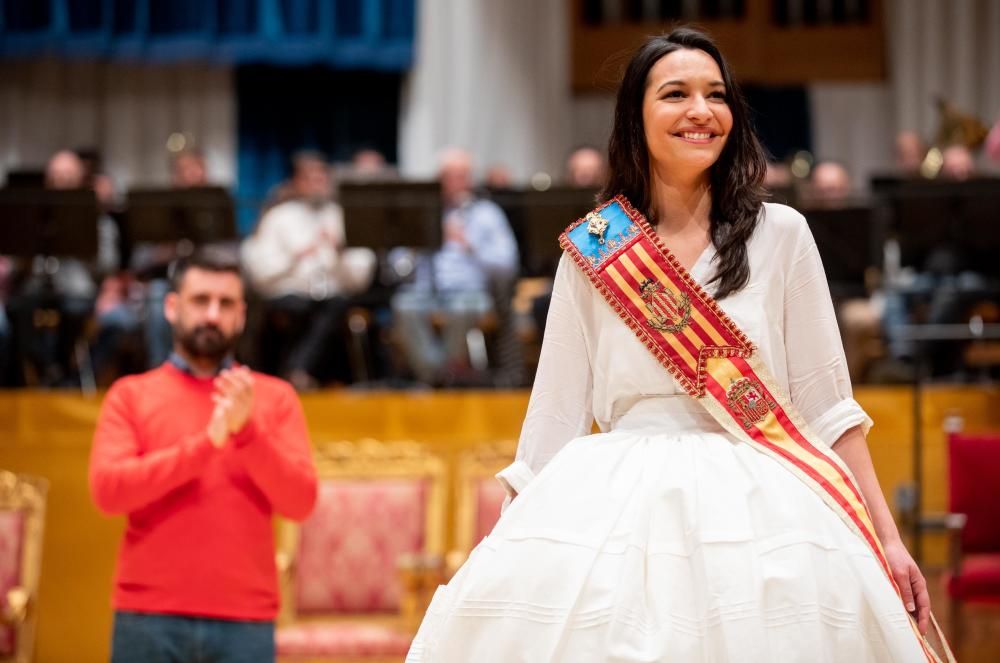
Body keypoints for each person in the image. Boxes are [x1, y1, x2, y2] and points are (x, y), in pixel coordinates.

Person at [406, 28, 938, 662]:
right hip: (616, 507)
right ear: (636, 116)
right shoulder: (597, 247)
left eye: (717, 95)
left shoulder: (783, 233)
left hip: (767, 504)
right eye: (675, 94)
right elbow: (552, 422)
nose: (700, 111)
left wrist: (888, 536)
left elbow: (830, 408)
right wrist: (507, 552)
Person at [89, 249, 317, 662]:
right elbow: (108, 493)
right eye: (200, 300)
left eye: (225, 303)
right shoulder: (131, 395)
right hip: (148, 617)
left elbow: (300, 502)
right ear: (172, 307)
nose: (212, 314)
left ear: (242, 315)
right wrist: (205, 446)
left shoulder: (275, 398)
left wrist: (247, 432)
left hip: (245, 621)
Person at [242, 150, 375, 389]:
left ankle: (296, 371)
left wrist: (340, 251)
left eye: (321, 179)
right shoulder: (278, 217)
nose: (317, 185)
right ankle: (297, 372)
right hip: (288, 293)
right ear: (297, 182)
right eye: (310, 179)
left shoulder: (342, 217)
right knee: (304, 307)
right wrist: (295, 257)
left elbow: (361, 278)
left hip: (333, 296)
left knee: (333, 306)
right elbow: (259, 273)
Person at [391, 148, 518, 386]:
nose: (454, 182)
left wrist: (470, 245)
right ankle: (437, 374)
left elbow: (507, 264)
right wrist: (416, 245)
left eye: (461, 175)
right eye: (448, 176)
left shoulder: (487, 214)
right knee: (403, 304)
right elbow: (397, 267)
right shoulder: (420, 213)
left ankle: (438, 377)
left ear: (470, 179)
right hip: (425, 293)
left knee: (463, 307)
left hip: (470, 293)